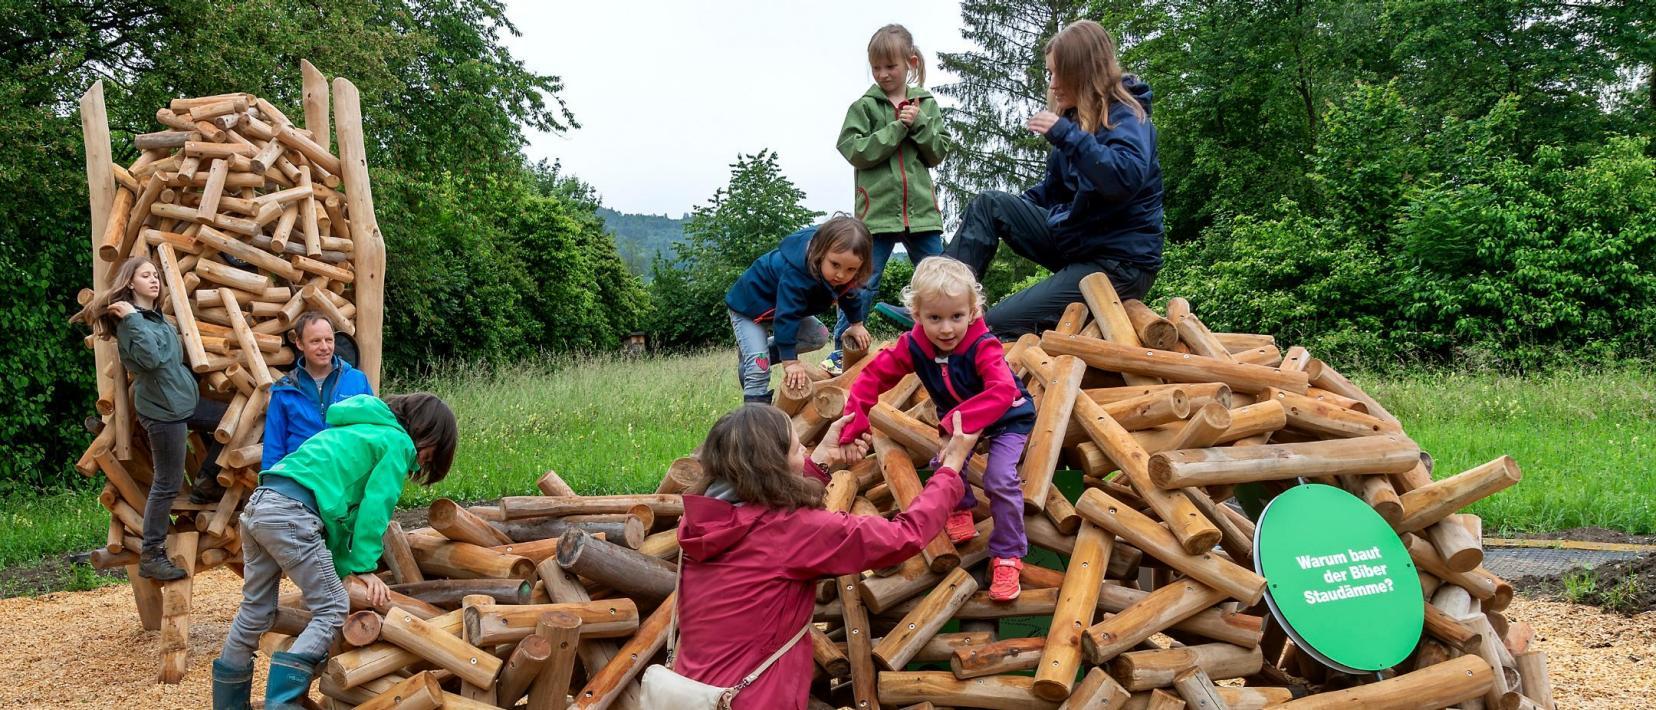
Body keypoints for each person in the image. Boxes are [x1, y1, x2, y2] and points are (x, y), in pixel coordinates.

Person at [672, 405, 978, 708]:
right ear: (772, 466)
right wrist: (950, 468)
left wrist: (822, 459)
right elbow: (903, 536)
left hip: (692, 696)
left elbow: (769, 508)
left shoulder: (700, 522)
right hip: (755, 700)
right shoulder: (793, 531)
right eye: (796, 450)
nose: (805, 450)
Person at [889, 20, 1163, 338]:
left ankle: (959, 335)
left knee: (995, 322)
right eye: (1050, 74)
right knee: (990, 204)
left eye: (1059, 73)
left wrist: (1066, 136)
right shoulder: (1074, 119)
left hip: (1119, 265)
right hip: (1079, 241)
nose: (1053, 83)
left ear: (1084, 72)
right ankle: (933, 301)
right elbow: (1052, 192)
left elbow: (1121, 179)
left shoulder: (1128, 117)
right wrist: (1017, 211)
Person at [211, 393, 457, 710]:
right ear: (429, 435)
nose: (422, 462)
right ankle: (282, 705)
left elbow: (338, 521)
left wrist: (347, 571)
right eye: (430, 457)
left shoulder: (355, 428)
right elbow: (373, 512)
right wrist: (365, 568)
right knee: (332, 607)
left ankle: (228, 705)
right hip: (293, 514)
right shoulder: (396, 442)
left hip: (261, 505)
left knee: (256, 611)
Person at [838, 256, 1034, 600]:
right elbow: (871, 377)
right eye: (934, 318)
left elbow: (1002, 391)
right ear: (917, 315)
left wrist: (954, 424)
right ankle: (960, 506)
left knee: (1000, 479)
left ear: (972, 311)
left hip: (1006, 417)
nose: (946, 329)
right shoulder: (914, 345)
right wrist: (854, 425)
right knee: (943, 463)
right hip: (958, 418)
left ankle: (1008, 554)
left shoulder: (981, 344)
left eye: (957, 317)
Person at [94, 255, 228, 581]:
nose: (154, 280)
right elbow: (151, 360)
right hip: (162, 413)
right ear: (130, 283)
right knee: (166, 484)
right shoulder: (130, 323)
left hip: (184, 402)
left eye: (156, 275)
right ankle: (152, 554)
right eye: (146, 275)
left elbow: (174, 358)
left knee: (233, 424)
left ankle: (205, 483)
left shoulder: (155, 319)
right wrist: (133, 319)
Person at [825, 23, 948, 372]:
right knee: (860, 285)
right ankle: (841, 354)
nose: (882, 74)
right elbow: (855, 150)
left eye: (890, 66)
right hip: (875, 215)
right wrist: (897, 128)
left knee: (941, 280)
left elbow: (937, 152)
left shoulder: (925, 103)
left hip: (922, 214)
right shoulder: (864, 107)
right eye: (876, 67)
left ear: (909, 63)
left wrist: (920, 123)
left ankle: (951, 350)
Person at [725, 215, 874, 404]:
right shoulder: (797, 272)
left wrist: (856, 323)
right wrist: (790, 362)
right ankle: (756, 421)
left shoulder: (840, 273)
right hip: (749, 308)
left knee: (817, 335)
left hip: (779, 308)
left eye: (851, 269)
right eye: (835, 265)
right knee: (758, 369)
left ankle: (755, 355)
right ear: (820, 252)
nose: (841, 275)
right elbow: (788, 316)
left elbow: (850, 293)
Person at [262, 311, 374, 471]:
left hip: (347, 476)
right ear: (300, 344)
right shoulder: (285, 390)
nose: (324, 347)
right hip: (300, 477)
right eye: (315, 341)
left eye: (329, 340)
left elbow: (374, 431)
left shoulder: (357, 381)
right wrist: (269, 485)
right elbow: (274, 448)